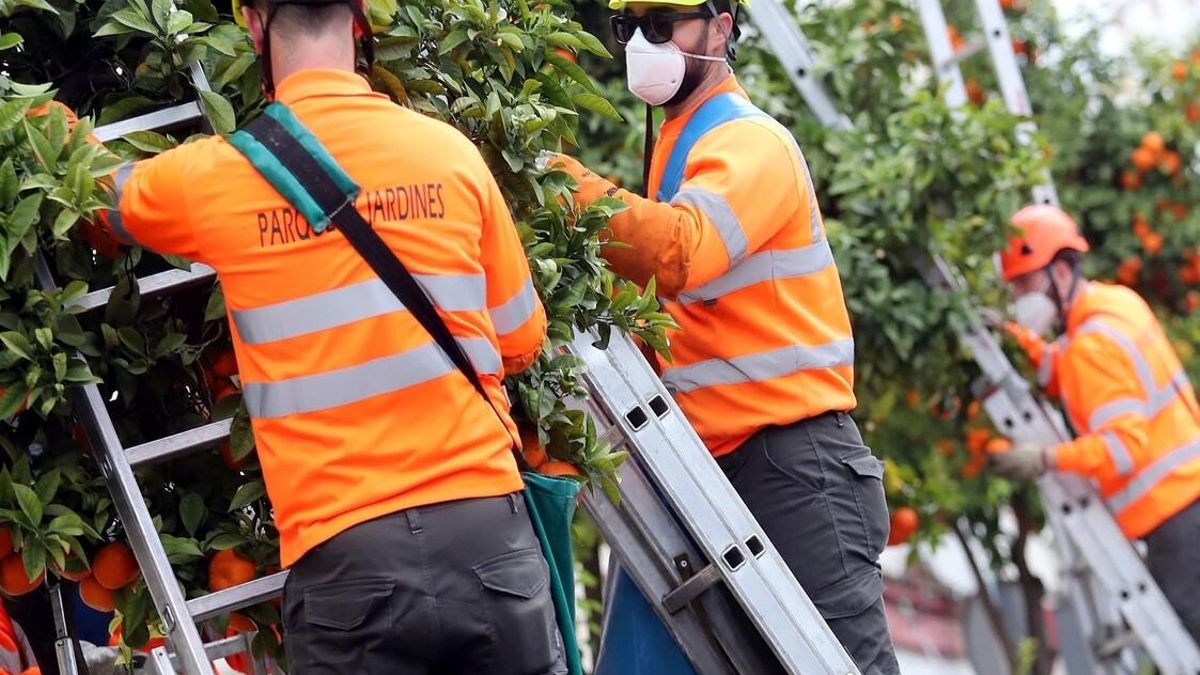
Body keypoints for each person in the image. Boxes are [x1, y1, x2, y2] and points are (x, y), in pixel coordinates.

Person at [88, 0, 563, 671]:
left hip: (349, 563)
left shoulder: (219, 177)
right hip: (486, 539)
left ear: (253, 25)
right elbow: (521, 339)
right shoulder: (451, 155)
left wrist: (46, 126)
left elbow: (104, 193)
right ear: (362, 18)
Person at [548, 1, 899, 672]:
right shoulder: (681, 154)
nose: (645, 45)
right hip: (707, 474)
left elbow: (683, 252)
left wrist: (555, 183)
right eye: (632, 29)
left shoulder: (750, 141)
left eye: (663, 24)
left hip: (795, 468)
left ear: (722, 24)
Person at [989, 204, 1200, 642]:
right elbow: (1067, 369)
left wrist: (1045, 457)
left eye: (1024, 282)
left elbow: (1122, 450)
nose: (1018, 297)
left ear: (1061, 273)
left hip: (1174, 524)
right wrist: (1015, 338)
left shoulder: (1091, 347)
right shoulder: (1115, 305)